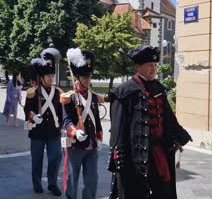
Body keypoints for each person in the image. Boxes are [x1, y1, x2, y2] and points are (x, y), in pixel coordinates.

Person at [108, 45, 192, 199]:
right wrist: (120, 162)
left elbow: (168, 118)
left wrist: (181, 135)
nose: (154, 69)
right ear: (139, 67)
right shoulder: (123, 92)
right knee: (137, 191)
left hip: (159, 151)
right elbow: (118, 131)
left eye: (155, 65)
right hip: (135, 155)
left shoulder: (158, 87)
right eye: (150, 65)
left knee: (163, 190)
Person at [62, 48, 103, 199]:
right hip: (75, 146)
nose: (88, 80)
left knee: (92, 180)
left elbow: (96, 120)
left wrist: (99, 137)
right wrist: (75, 131)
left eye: (89, 77)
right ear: (77, 77)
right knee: (72, 180)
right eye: (84, 77)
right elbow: (66, 121)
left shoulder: (93, 97)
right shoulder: (69, 98)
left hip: (91, 145)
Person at [25, 48, 64, 196]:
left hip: (53, 131)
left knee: (56, 157)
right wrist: (33, 117)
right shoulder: (33, 92)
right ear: (42, 76)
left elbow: (61, 112)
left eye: (51, 75)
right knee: (37, 160)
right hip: (37, 132)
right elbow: (27, 109)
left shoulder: (58, 92)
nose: (50, 77)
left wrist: (62, 126)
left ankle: (52, 183)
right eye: (48, 75)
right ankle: (37, 183)